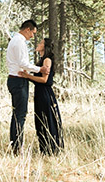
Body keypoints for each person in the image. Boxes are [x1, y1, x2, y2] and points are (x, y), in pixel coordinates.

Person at [6, 19, 47, 154]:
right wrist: (39, 69)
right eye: (32, 33)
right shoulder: (18, 42)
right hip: (18, 81)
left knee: (18, 114)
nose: (33, 36)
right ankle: (17, 147)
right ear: (27, 29)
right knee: (20, 114)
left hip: (18, 80)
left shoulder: (17, 41)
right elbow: (23, 63)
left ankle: (16, 145)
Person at [19, 37, 63, 155]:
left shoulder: (47, 60)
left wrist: (27, 76)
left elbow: (44, 80)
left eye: (41, 43)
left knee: (47, 119)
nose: (38, 44)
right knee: (41, 120)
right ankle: (45, 149)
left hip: (45, 93)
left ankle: (51, 149)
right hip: (40, 93)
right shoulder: (42, 60)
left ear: (45, 46)